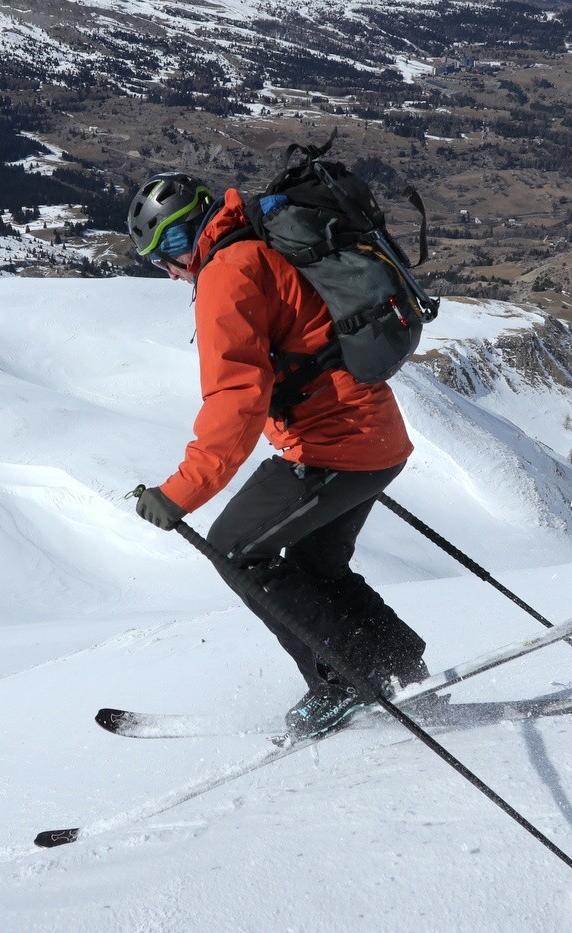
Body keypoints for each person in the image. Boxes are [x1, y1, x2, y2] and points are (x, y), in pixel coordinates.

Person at [125, 171, 430, 738]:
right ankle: (394, 664)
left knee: (235, 549)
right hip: (374, 438)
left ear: (194, 225)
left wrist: (179, 493)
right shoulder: (263, 239)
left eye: (168, 245)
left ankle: (344, 680)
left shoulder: (227, 272)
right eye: (153, 256)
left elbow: (236, 399)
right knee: (316, 566)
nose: (169, 266)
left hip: (332, 445)